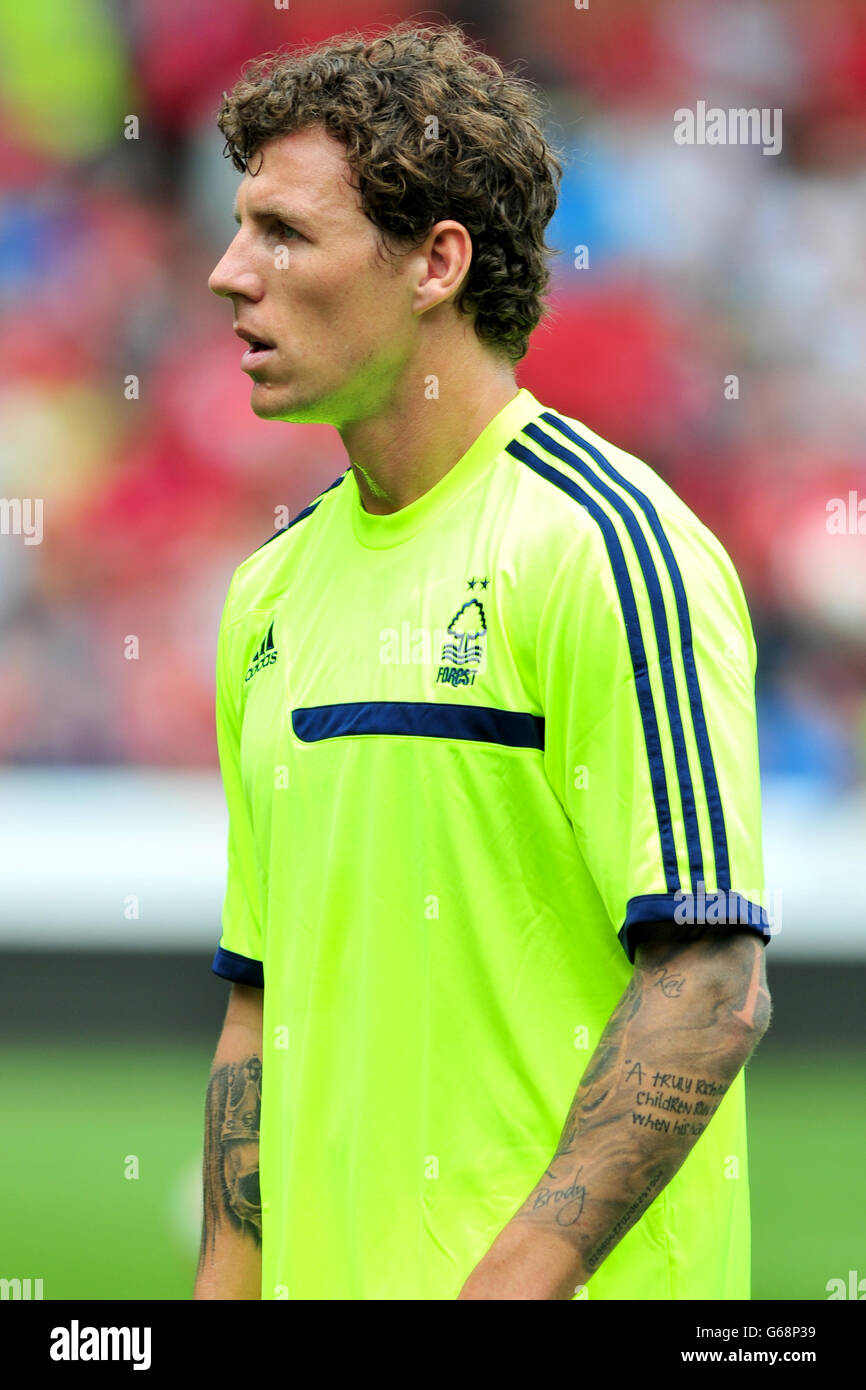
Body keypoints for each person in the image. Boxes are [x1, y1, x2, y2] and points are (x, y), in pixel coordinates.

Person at [194, 21, 772, 1302]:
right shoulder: (268, 596)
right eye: (242, 228)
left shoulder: (604, 547)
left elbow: (710, 979)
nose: (233, 273)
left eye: (285, 233)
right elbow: (258, 1010)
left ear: (434, 263)